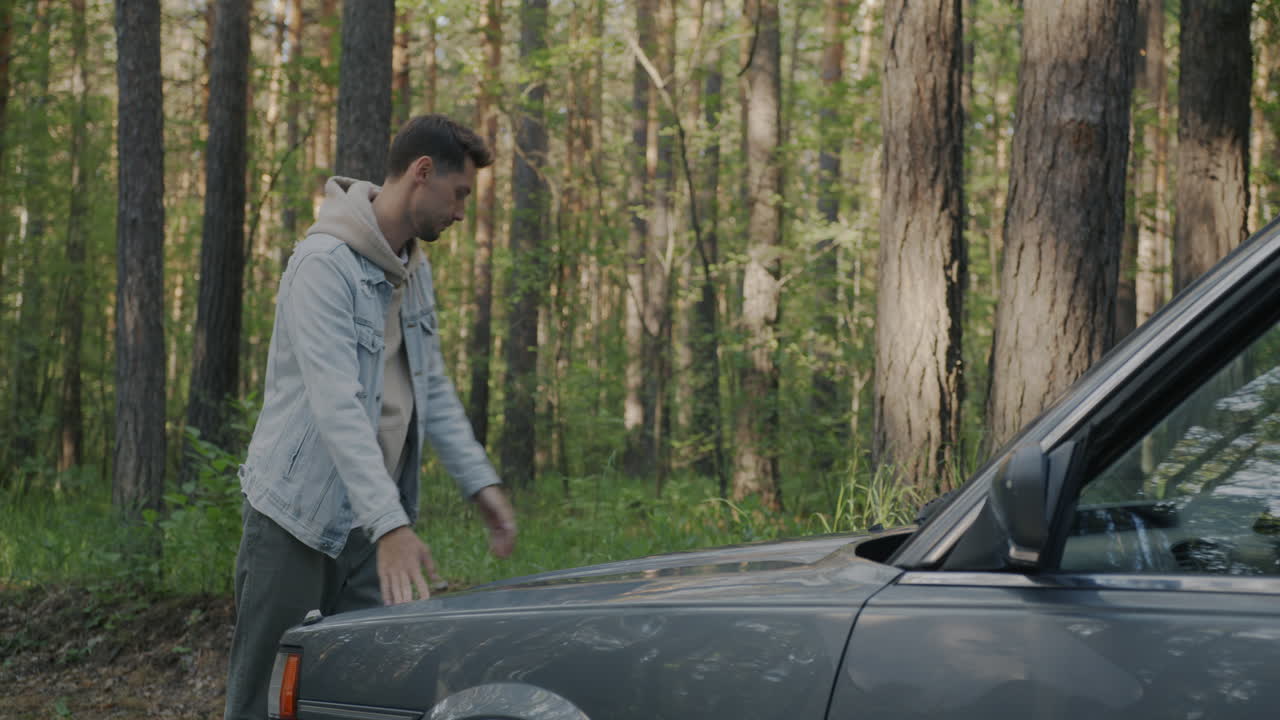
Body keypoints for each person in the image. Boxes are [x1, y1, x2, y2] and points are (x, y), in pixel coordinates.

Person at [223, 114, 517, 720]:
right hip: (294, 521)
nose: (463, 212)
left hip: (368, 524)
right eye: (460, 194)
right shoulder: (322, 264)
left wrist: (480, 484)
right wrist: (392, 526)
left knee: (360, 697)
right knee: (265, 702)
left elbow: (430, 386)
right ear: (422, 173)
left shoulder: (414, 270)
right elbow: (337, 405)